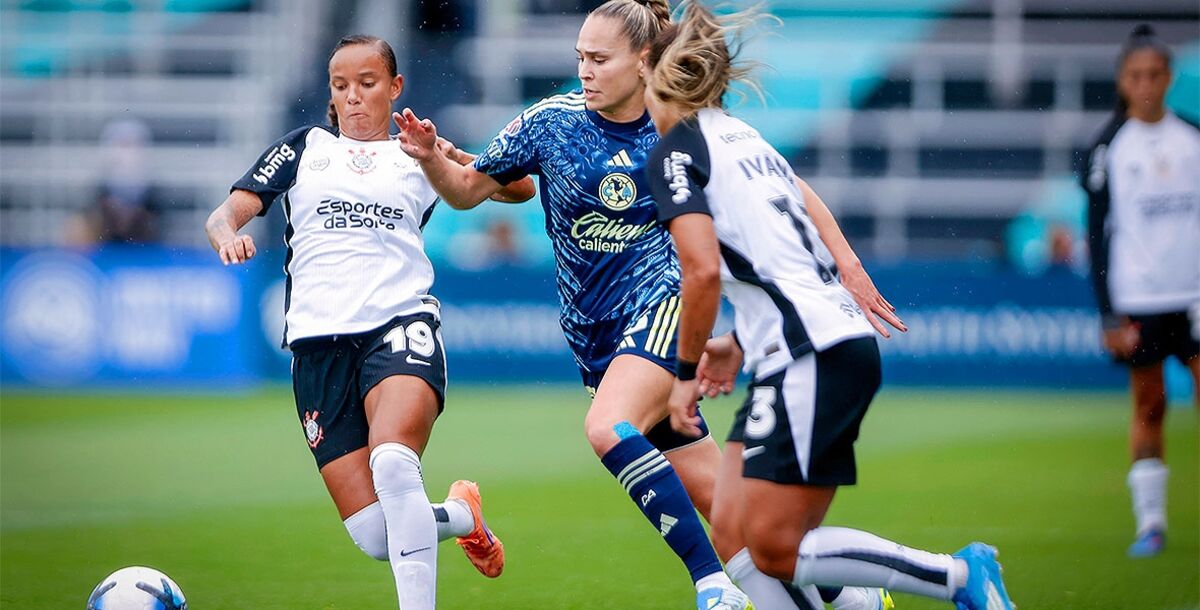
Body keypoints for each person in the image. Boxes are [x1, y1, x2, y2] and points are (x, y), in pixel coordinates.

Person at [395, 2, 898, 608]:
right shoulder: (550, 122)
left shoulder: (678, 128)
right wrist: (431, 161)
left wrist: (847, 264)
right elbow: (470, 191)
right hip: (598, 344)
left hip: (664, 308)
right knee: (735, 522)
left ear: (643, 61)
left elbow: (788, 184)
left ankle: (713, 588)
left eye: (600, 59)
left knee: (607, 428)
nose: (584, 70)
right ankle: (858, 602)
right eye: (580, 56)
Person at [644, 3, 1017, 609]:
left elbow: (702, 269)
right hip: (807, 347)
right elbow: (791, 262)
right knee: (734, 532)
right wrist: (738, 343)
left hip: (810, 355)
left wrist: (685, 376)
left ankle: (957, 575)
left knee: (775, 545)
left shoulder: (677, 153)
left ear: (652, 78)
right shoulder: (745, 140)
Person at [203, 34, 534, 609]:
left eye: (367, 83)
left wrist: (437, 153)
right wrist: (226, 234)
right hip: (317, 351)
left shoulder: (416, 151)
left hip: (398, 326)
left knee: (393, 459)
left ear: (395, 87)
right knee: (378, 535)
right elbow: (227, 211)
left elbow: (516, 187)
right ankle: (460, 515)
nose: (353, 97)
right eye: (340, 86)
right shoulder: (305, 148)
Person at [1082, 24, 1200, 558]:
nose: (1146, 84)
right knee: (1149, 408)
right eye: (1136, 75)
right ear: (1122, 81)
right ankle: (1150, 525)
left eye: (1154, 74)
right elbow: (1096, 234)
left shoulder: (1193, 139)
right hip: (1141, 301)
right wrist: (1109, 315)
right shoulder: (1108, 149)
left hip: (1195, 296)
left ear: (1169, 78)